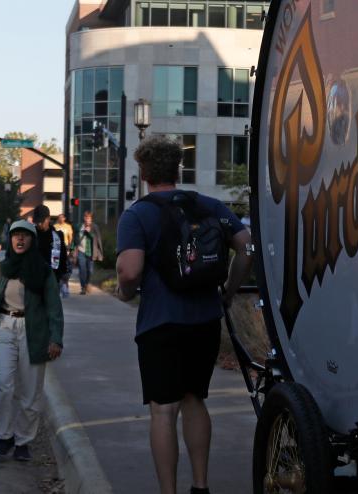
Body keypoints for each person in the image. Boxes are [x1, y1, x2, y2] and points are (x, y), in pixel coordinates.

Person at [116, 136, 252, 494]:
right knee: (195, 400)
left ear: (143, 172)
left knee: (163, 409)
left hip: (161, 323)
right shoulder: (209, 205)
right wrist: (229, 292)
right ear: (178, 168)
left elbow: (129, 272)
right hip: (204, 320)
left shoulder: (137, 214)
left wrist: (126, 293)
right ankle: (201, 486)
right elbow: (247, 247)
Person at [0, 220, 64, 462]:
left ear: (32, 240)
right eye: (15, 236)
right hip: (4, 327)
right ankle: (5, 437)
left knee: (31, 391)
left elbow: (54, 307)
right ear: (10, 240)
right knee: (2, 385)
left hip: (33, 332)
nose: (20, 240)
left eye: (25, 236)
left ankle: (23, 440)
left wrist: (56, 339)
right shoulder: (1, 269)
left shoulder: (43, 271)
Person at [31, 205, 68, 284]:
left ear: (48, 219)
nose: (39, 224)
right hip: (34, 277)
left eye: (41, 221)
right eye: (37, 221)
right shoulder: (31, 235)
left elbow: (63, 256)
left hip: (53, 278)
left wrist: (64, 273)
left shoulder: (57, 236)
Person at [75, 211, 104, 295]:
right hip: (81, 250)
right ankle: (83, 287)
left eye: (89, 218)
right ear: (84, 218)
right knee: (82, 270)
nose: (88, 220)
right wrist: (72, 249)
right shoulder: (79, 226)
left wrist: (89, 233)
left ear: (91, 219)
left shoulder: (95, 227)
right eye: (86, 218)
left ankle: (87, 283)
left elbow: (98, 239)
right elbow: (75, 238)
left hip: (91, 252)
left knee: (90, 270)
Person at [53, 214, 75, 297]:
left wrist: (70, 250)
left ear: (65, 218)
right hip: (56, 247)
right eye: (59, 218)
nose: (61, 219)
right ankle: (58, 287)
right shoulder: (55, 226)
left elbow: (71, 239)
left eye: (62, 217)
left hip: (65, 248)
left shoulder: (68, 227)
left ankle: (65, 286)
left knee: (66, 269)